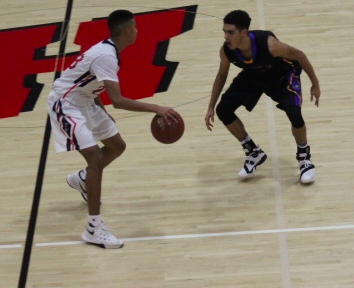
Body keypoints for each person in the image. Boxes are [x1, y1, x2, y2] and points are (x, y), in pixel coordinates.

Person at [47, 10, 181, 249]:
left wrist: (99, 108)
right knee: (96, 158)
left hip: (85, 100)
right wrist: (156, 108)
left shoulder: (108, 51)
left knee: (117, 146)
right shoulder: (106, 56)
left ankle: (83, 180)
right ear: (128, 30)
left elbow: (89, 81)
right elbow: (118, 100)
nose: (138, 31)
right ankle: (93, 228)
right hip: (65, 104)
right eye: (136, 27)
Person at [204, 10, 320, 184]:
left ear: (244, 32)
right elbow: (221, 75)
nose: (226, 36)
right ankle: (253, 152)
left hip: (282, 76)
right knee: (223, 110)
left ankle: (304, 158)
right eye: (224, 31)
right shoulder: (226, 51)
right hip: (254, 76)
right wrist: (211, 106)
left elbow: (299, 55)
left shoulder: (270, 45)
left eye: (230, 32)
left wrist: (315, 84)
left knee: (295, 114)